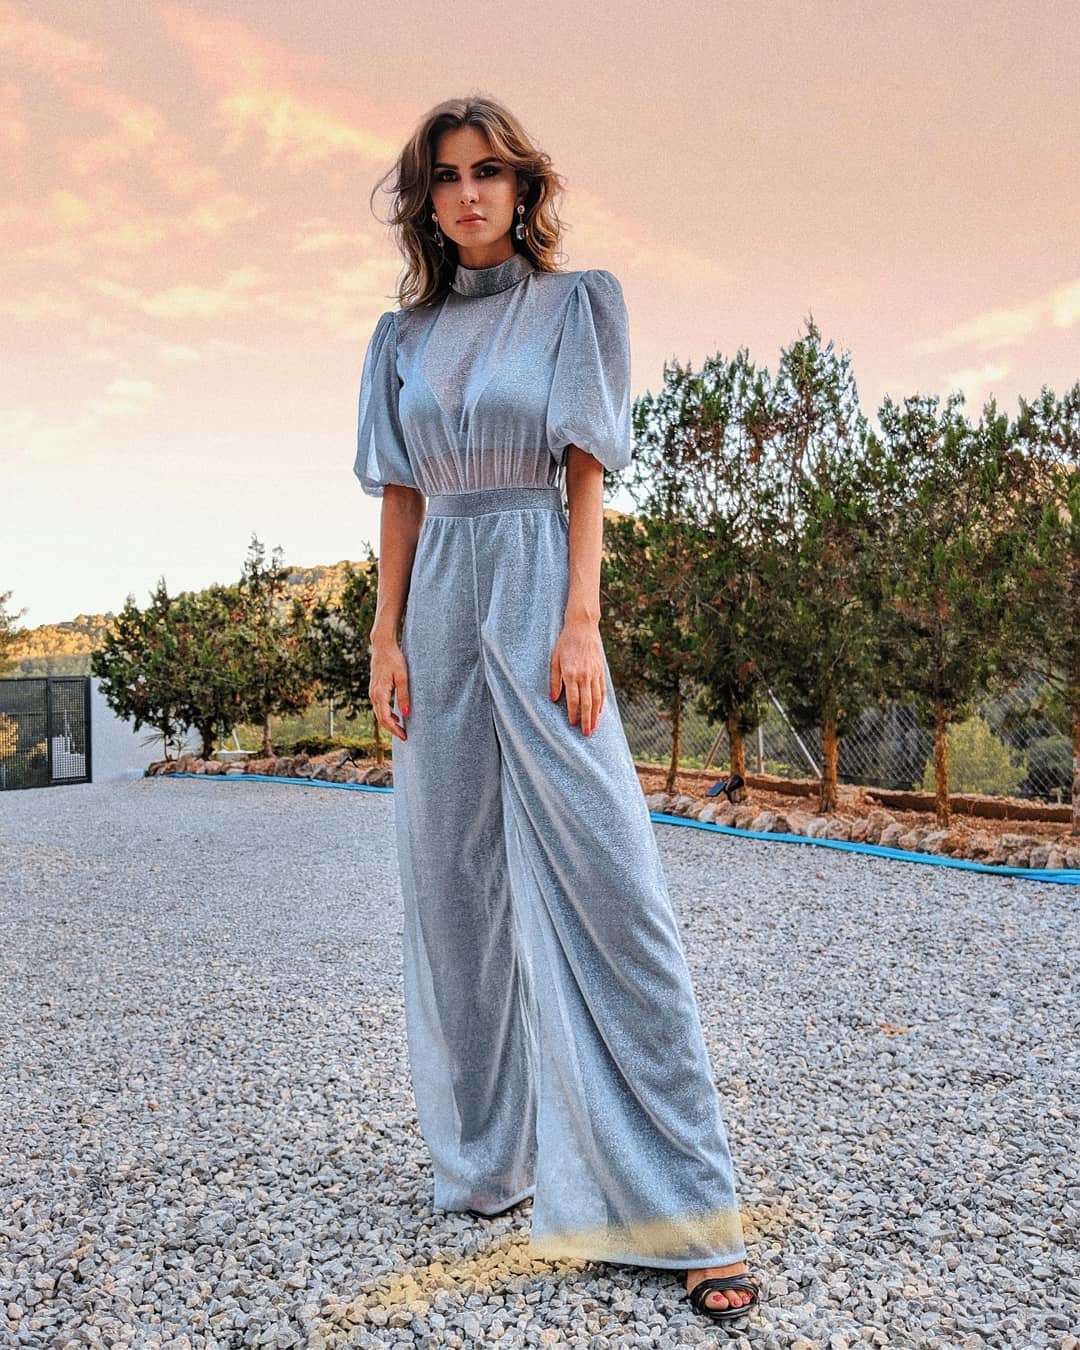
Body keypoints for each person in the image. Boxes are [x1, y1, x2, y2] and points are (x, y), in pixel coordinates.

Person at [355, 93, 762, 1327]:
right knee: (450, 888)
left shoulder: (577, 305)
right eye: (445, 177)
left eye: (488, 171)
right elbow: (401, 493)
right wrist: (384, 633)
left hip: (538, 583)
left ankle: (685, 1208)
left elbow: (585, 470)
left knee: (610, 882)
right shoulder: (400, 337)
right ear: (426, 201)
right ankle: (489, 1163)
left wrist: (581, 622)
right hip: (436, 602)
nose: (468, 193)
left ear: (523, 186)